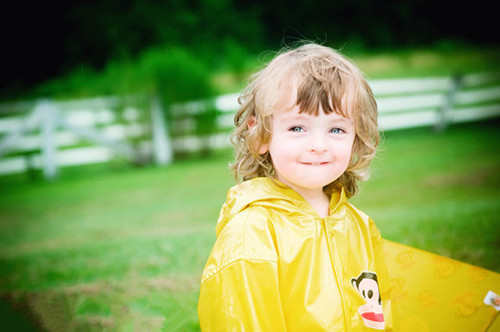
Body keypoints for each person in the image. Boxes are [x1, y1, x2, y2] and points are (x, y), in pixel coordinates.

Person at [198, 43, 500, 331]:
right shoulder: (252, 234)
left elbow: (382, 311)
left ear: (356, 137)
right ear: (261, 135)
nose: (318, 145)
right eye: (297, 128)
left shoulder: (359, 226)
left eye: (336, 129)